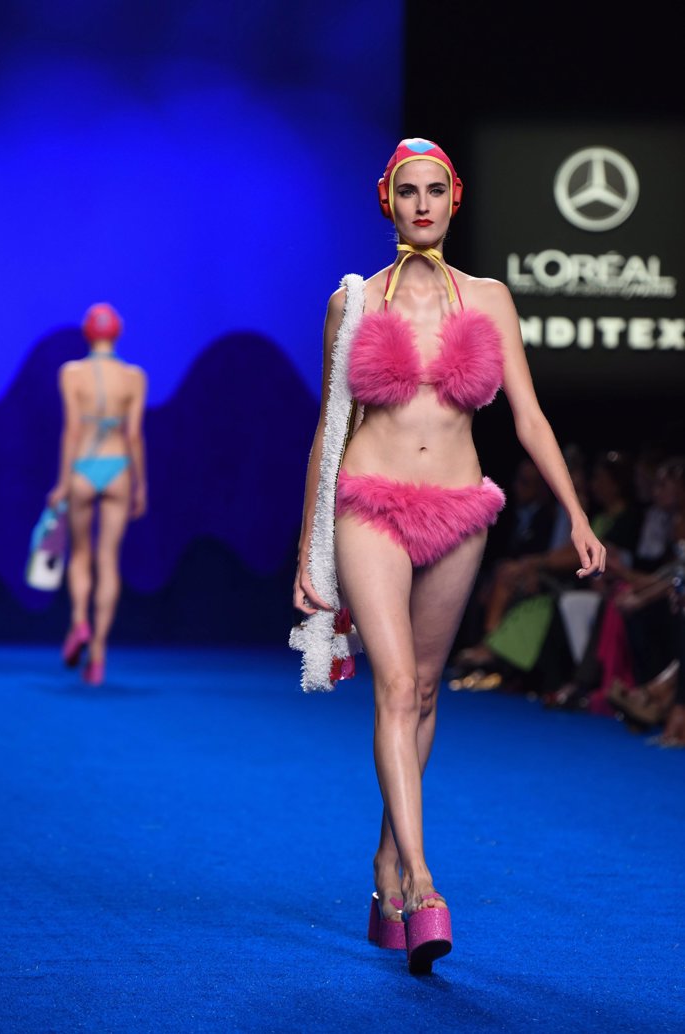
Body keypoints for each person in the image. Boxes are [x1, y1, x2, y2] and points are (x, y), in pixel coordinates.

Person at [289, 138, 605, 975]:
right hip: (368, 504)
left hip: (462, 511)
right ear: (386, 200)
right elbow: (330, 428)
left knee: (427, 690)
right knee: (396, 686)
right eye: (408, 192)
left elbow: (528, 416)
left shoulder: (491, 298)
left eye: (435, 190)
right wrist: (309, 550)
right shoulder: (352, 300)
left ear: (455, 198)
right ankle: (422, 884)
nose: (422, 204)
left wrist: (576, 512)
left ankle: (386, 858)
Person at [48, 302, 148, 686]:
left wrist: (62, 483)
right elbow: (134, 435)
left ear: (87, 333)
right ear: (117, 332)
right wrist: (140, 484)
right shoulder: (134, 377)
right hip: (118, 467)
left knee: (80, 555)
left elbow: (72, 430)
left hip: (83, 468)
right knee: (108, 560)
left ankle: (79, 622)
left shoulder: (71, 373)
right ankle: (99, 654)